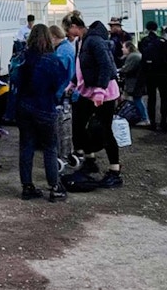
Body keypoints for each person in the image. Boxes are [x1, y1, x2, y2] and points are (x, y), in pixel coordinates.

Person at [64, 13, 122, 188]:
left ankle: (115, 171)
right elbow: (82, 66)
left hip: (103, 92)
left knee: (105, 130)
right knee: (78, 125)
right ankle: (90, 160)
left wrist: (99, 91)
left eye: (68, 29)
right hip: (87, 90)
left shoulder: (94, 41)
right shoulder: (82, 41)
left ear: (75, 26)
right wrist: (73, 83)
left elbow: (105, 65)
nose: (67, 32)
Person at [17, 24, 68, 202]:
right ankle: (54, 187)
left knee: (26, 146)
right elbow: (59, 83)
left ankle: (27, 186)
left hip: (24, 106)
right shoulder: (52, 60)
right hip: (45, 107)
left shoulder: (24, 57)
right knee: (50, 147)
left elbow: (16, 80)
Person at [138, 21, 167, 131]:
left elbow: (142, 55)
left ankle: (152, 123)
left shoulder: (143, 41)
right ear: (156, 28)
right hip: (163, 73)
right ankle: (164, 122)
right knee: (164, 98)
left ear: (147, 29)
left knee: (151, 98)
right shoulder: (163, 41)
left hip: (150, 73)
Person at [119, 41, 150, 126]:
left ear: (128, 48)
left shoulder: (133, 57)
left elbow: (126, 69)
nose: (122, 49)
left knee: (137, 100)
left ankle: (144, 118)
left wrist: (120, 70)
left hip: (135, 82)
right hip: (138, 81)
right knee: (137, 100)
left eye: (123, 47)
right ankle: (143, 117)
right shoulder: (136, 55)